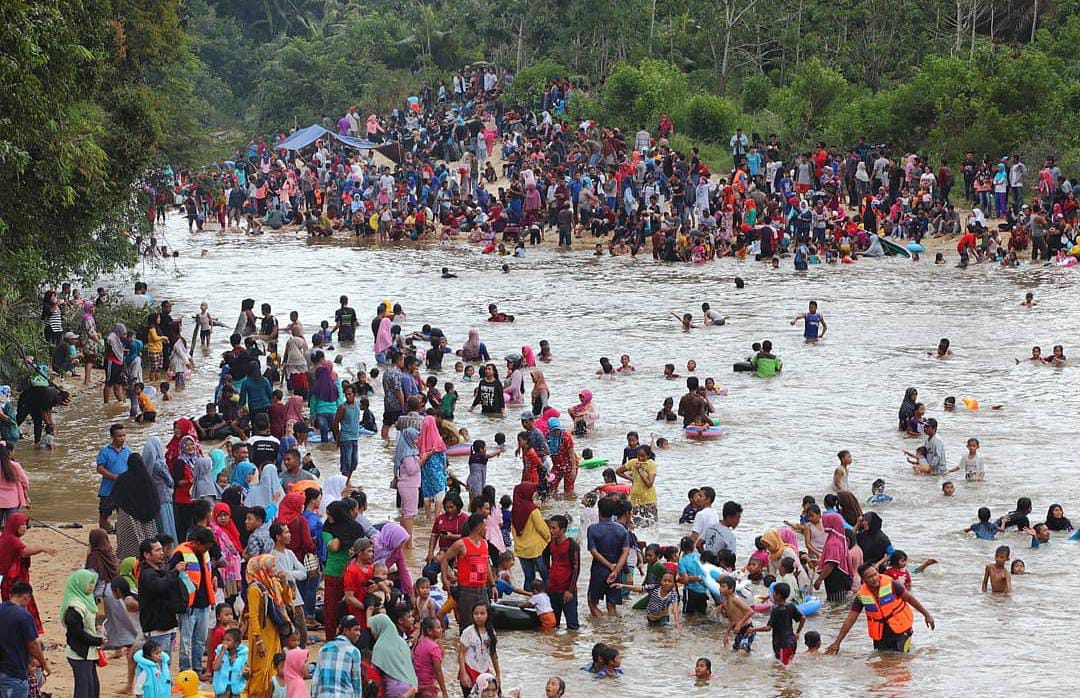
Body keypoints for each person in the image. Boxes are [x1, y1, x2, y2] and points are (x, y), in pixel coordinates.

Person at [825, 562, 935, 654]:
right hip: (881, 634)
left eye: (875, 574)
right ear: (863, 580)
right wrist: (837, 642)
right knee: (882, 664)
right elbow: (850, 619)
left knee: (901, 661)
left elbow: (910, 599)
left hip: (901, 629)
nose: (874, 578)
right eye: (870, 577)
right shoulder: (861, 596)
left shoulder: (891, 584)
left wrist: (927, 615)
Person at [170, 526, 216, 674]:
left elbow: (209, 572)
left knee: (200, 639)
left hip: (204, 603)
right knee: (185, 640)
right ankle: (185, 669)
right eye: (205, 546)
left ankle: (196, 668)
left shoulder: (205, 553)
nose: (206, 550)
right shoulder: (180, 554)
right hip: (188, 605)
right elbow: (171, 575)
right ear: (196, 543)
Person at [440, 513, 494, 630]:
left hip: (483, 589)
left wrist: (493, 585)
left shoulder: (484, 544)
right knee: (467, 625)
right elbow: (444, 558)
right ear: (479, 527)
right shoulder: (461, 544)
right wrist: (444, 579)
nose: (486, 528)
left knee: (486, 624)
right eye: (485, 526)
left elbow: (486, 565)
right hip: (466, 591)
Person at [246, 555, 286, 698]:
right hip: (261, 635)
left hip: (273, 632)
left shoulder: (272, 583)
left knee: (273, 666)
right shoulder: (254, 589)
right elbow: (253, 616)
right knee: (261, 670)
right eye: (272, 566)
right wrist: (259, 641)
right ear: (263, 567)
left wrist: (285, 583)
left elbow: (287, 599)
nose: (274, 569)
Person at [62, 569, 104, 698]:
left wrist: (97, 628)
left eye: (93, 584)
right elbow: (77, 633)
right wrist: (98, 641)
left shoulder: (86, 600)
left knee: (92, 687)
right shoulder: (75, 607)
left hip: (88, 652)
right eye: (89, 583)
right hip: (79, 653)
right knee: (84, 690)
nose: (91, 587)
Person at [112, 453, 162, 559]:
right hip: (147, 518)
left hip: (128, 516)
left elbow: (115, 496)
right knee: (148, 540)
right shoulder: (147, 479)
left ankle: (127, 560)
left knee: (127, 542)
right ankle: (148, 557)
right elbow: (155, 499)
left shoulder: (122, 479)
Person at [586, 497, 630, 617]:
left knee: (592, 602)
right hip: (616, 570)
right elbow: (625, 552)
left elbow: (594, 552)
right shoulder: (622, 529)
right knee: (611, 604)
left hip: (598, 570)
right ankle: (613, 630)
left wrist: (609, 565)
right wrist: (615, 570)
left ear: (599, 511)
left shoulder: (592, 529)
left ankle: (601, 629)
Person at [748, 582, 805, 665]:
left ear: (778, 595)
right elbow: (803, 618)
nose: (772, 595)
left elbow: (768, 628)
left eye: (774, 593)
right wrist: (798, 632)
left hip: (782, 643)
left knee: (783, 669)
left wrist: (753, 629)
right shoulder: (791, 606)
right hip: (792, 641)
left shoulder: (776, 610)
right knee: (786, 665)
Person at [541, 515, 580, 630]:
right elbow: (544, 555)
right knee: (553, 625)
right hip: (552, 589)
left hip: (567, 591)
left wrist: (570, 590)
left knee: (572, 626)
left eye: (554, 528)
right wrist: (548, 574)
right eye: (550, 528)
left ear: (562, 530)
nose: (551, 531)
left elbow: (576, 569)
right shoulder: (551, 544)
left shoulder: (572, 545)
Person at [311, 614, 364, 696]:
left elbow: (316, 679)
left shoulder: (324, 649)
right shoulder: (353, 651)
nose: (359, 633)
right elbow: (356, 681)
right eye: (356, 630)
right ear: (346, 630)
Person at [510, 483, 550, 588]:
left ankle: (528, 598)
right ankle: (549, 597)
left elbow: (514, 530)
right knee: (545, 576)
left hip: (521, 549)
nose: (534, 494)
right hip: (536, 549)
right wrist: (549, 539)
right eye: (533, 492)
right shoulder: (533, 510)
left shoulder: (514, 510)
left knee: (528, 577)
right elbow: (542, 528)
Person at [370, 613, 418, 697]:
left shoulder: (380, 646)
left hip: (394, 690)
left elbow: (374, 671)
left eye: (373, 629)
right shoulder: (402, 642)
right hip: (410, 686)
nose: (372, 632)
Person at [457, 603, 499, 695]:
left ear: (488, 615)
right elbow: (461, 653)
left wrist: (498, 675)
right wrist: (463, 674)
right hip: (469, 671)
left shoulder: (491, 632)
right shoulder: (468, 632)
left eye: (482, 613)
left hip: (484, 671)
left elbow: (493, 655)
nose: (479, 616)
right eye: (476, 613)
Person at [96, 423, 131, 532]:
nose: (122, 438)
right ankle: (103, 533)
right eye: (119, 436)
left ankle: (120, 532)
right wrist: (114, 477)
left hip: (123, 490)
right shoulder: (105, 451)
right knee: (104, 514)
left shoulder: (127, 451)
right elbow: (99, 468)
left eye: (124, 435)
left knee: (124, 514)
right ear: (112, 437)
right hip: (108, 490)